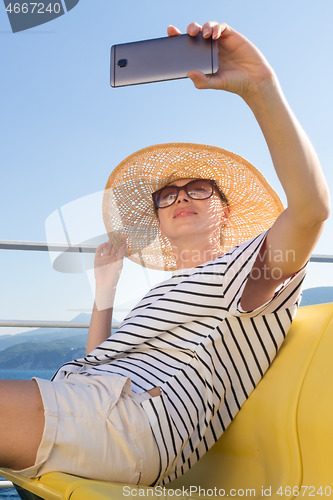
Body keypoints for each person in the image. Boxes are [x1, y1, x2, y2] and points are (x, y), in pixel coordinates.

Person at [0, 21, 330, 488]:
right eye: (167, 196)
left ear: (225, 210)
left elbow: (311, 210)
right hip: (91, 402)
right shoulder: (165, 293)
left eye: (198, 189)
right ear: (158, 221)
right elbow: (105, 363)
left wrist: (260, 87)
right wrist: (105, 292)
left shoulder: (241, 273)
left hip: (137, 427)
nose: (180, 198)